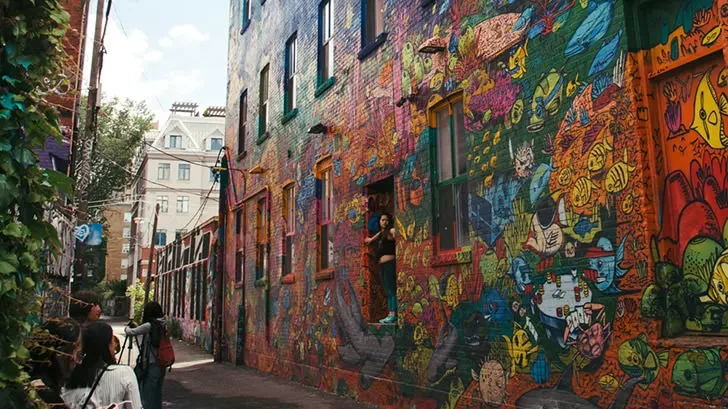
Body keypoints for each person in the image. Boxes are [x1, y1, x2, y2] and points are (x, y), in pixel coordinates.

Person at [63, 322, 142, 409]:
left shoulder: (71, 377)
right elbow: (135, 406)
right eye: (112, 341)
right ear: (107, 345)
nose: (115, 344)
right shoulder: (124, 373)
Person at [27, 318, 83, 409]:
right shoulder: (47, 397)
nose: (78, 361)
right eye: (78, 353)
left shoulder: (25, 380)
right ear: (60, 354)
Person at [124, 302, 166, 409]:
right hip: (162, 363)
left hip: (151, 364)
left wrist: (127, 328)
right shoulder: (162, 324)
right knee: (157, 394)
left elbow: (131, 332)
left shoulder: (149, 325)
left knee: (148, 395)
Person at [364, 212, 397, 324]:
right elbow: (374, 238)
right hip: (383, 266)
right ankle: (390, 314)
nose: (385, 222)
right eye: (383, 220)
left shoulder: (391, 231)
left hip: (389, 264)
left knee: (391, 290)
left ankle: (393, 315)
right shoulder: (381, 233)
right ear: (379, 222)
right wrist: (369, 240)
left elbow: (396, 234)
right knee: (388, 291)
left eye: (387, 220)